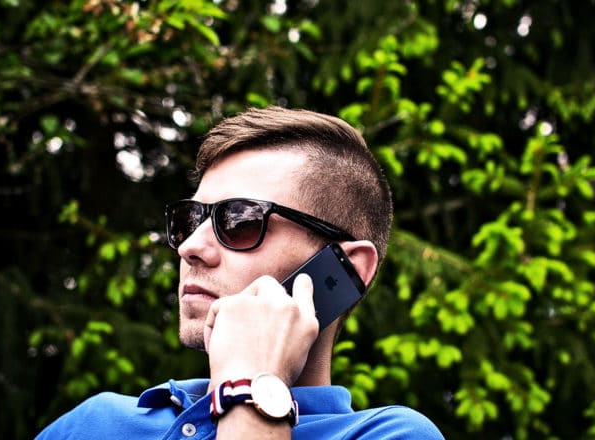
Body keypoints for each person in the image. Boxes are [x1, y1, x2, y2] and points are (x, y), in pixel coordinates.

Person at [36, 106, 444, 439]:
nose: (190, 246)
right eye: (189, 219)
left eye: (240, 220)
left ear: (346, 267)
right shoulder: (94, 424)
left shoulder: (389, 435)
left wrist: (248, 387)